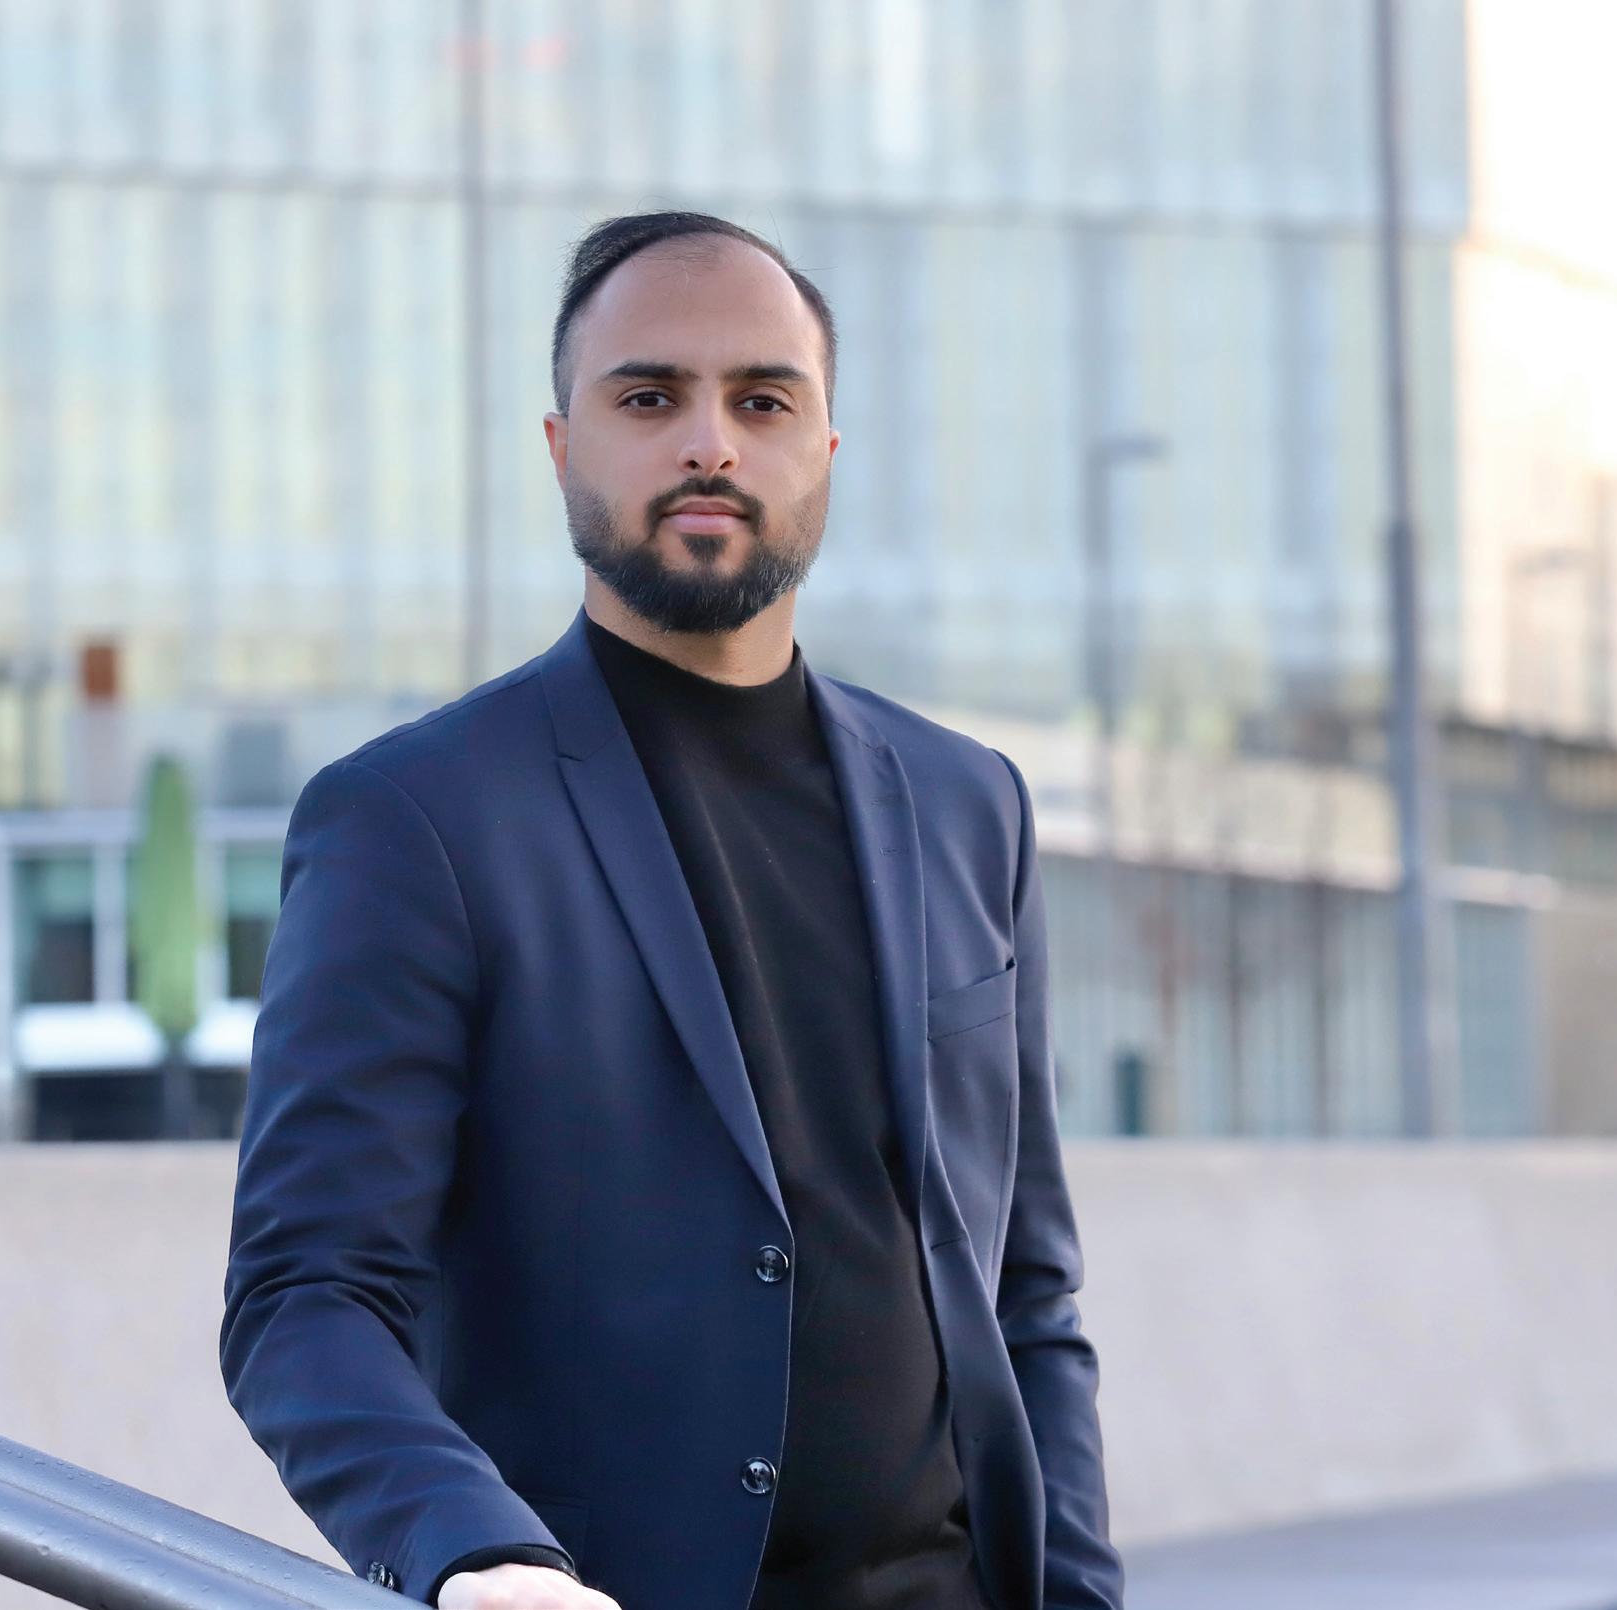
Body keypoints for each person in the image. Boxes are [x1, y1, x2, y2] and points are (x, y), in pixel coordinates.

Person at [221, 212, 1122, 1610]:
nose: (711, 445)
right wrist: (475, 1552)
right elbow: (305, 1293)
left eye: (763, 401)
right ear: (561, 446)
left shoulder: (969, 803)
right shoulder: (413, 819)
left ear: (826, 449)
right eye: (649, 398)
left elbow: (1026, 1293)